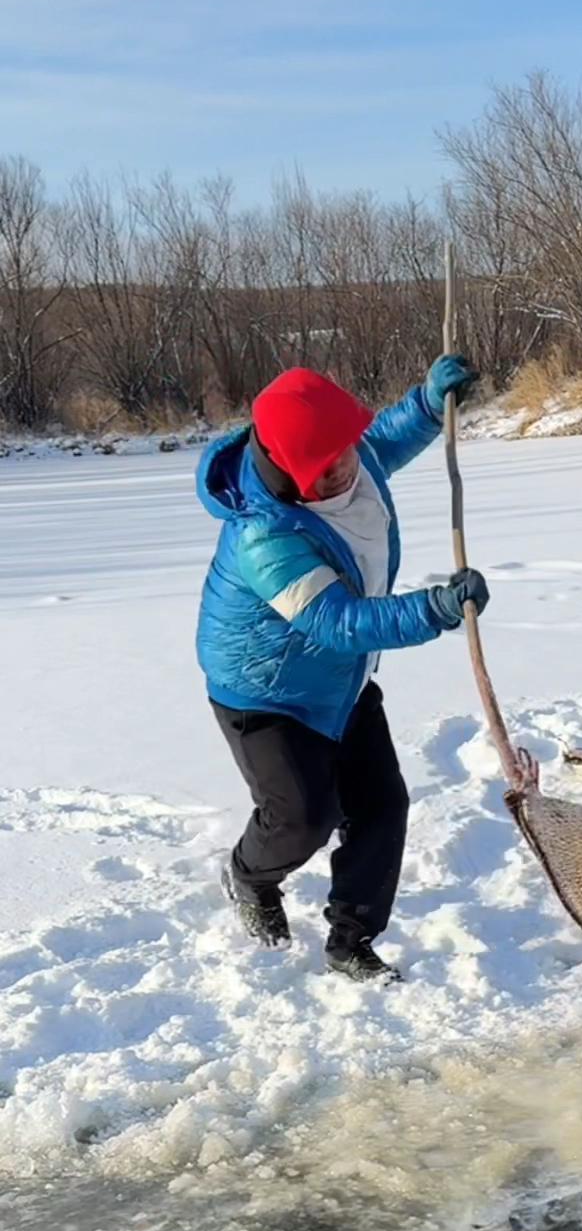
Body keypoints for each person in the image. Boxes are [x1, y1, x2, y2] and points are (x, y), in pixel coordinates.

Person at [195, 357, 488, 981]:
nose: (339, 475)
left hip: (342, 682)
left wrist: (430, 404)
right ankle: (248, 875)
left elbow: (380, 442)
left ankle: (351, 940)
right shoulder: (264, 537)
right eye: (319, 471)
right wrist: (434, 608)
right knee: (302, 818)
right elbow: (339, 623)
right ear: (285, 471)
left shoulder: (352, 458)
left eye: (342, 457)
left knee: (383, 808)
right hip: (265, 693)